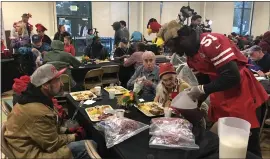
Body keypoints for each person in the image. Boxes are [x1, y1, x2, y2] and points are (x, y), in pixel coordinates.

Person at [164, 25, 268, 157]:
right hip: (221, 93)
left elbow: (232, 76)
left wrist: (202, 89)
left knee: (246, 142)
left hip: (241, 92)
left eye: (172, 45)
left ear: (182, 38)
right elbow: (205, 81)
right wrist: (196, 100)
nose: (172, 50)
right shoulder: (191, 57)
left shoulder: (211, 42)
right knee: (224, 141)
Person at [4, 64, 97, 159]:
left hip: (31, 146)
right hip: (33, 154)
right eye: (57, 80)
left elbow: (46, 130)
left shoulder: (36, 99)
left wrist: (66, 130)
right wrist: (75, 136)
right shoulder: (37, 112)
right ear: (45, 85)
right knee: (89, 145)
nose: (61, 84)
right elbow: (52, 144)